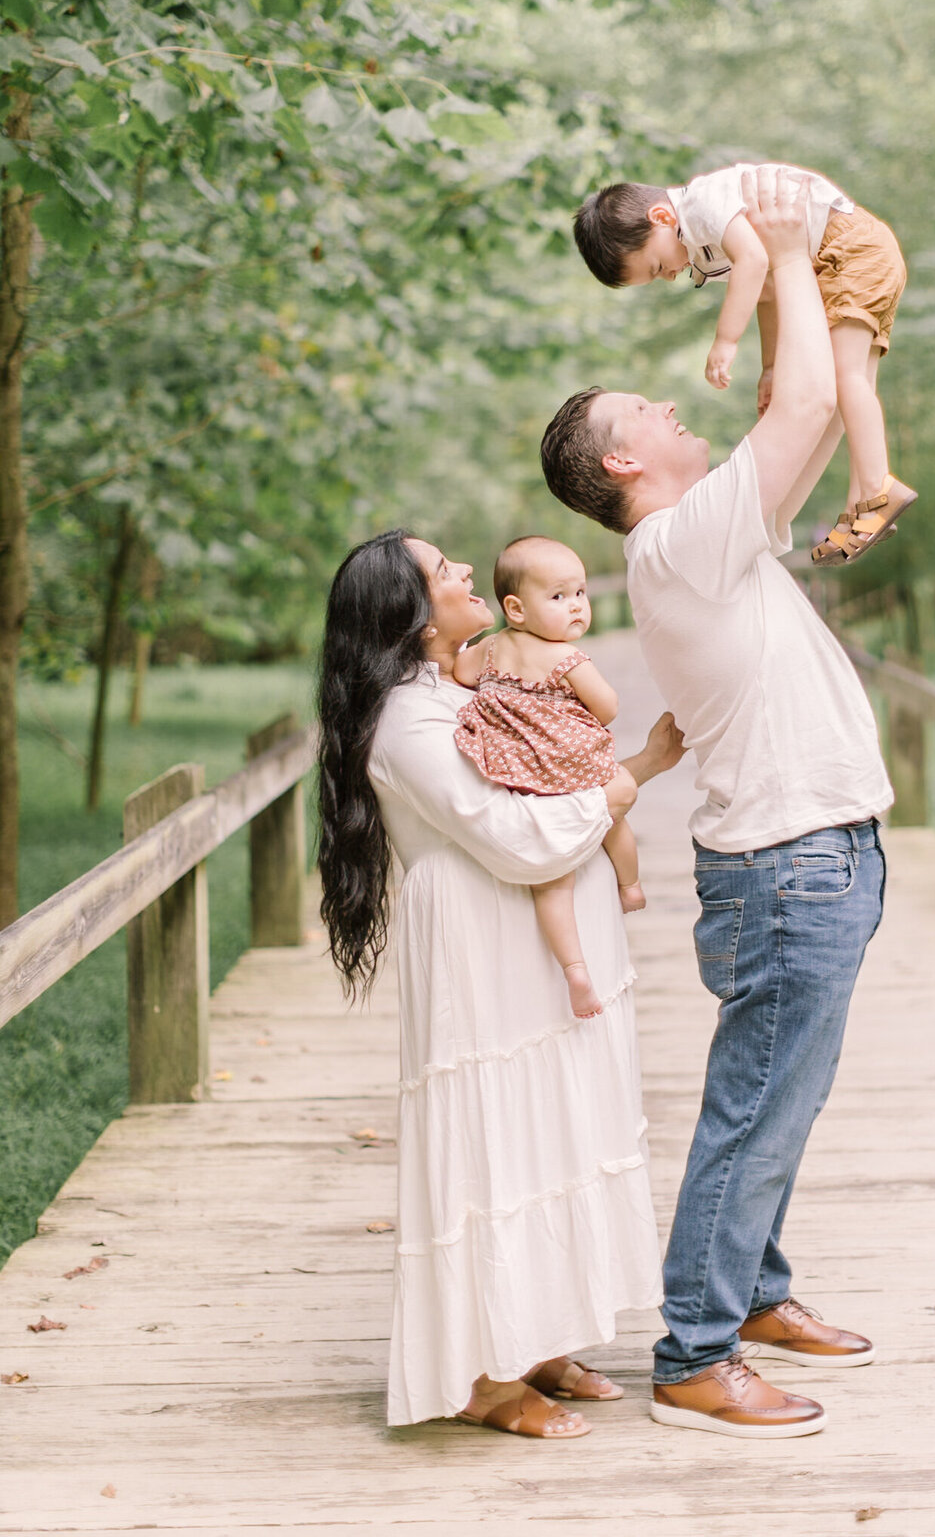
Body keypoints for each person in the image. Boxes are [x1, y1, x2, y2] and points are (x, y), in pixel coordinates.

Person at [542, 166, 892, 1441]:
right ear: (625, 458)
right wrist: (792, 256)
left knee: (783, 1097)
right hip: (788, 865)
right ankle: (695, 1347)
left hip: (817, 851)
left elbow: (800, 440)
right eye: (649, 407)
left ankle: (756, 1295)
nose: (676, 408)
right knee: (754, 1106)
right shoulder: (676, 540)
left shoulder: (715, 532)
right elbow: (804, 402)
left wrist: (795, 293)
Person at [316, 529, 683, 1438]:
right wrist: (622, 785)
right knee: (498, 1143)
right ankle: (483, 1372)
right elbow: (514, 837)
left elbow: (548, 782)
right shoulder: (407, 717)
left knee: (554, 1131)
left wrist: (622, 776)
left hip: (532, 947)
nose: (467, 572)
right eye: (444, 572)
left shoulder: (461, 686)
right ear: (409, 612)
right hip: (484, 949)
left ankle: (537, 1336)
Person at [573, 163, 914, 564]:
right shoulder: (698, 242)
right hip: (843, 257)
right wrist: (769, 367)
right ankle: (862, 503)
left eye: (656, 266)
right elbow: (767, 288)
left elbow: (753, 261)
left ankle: (877, 488)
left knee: (848, 378)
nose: (668, 276)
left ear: (661, 218)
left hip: (848, 250)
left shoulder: (701, 208)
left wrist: (725, 340)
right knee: (851, 386)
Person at [453, 536, 644, 1020]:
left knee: (551, 883)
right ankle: (630, 886)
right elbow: (608, 707)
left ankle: (574, 969)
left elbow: (460, 671)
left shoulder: (493, 647)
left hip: (519, 774)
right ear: (515, 608)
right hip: (574, 767)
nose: (577, 607)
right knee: (612, 819)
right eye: (558, 597)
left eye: (579, 593)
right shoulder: (568, 660)